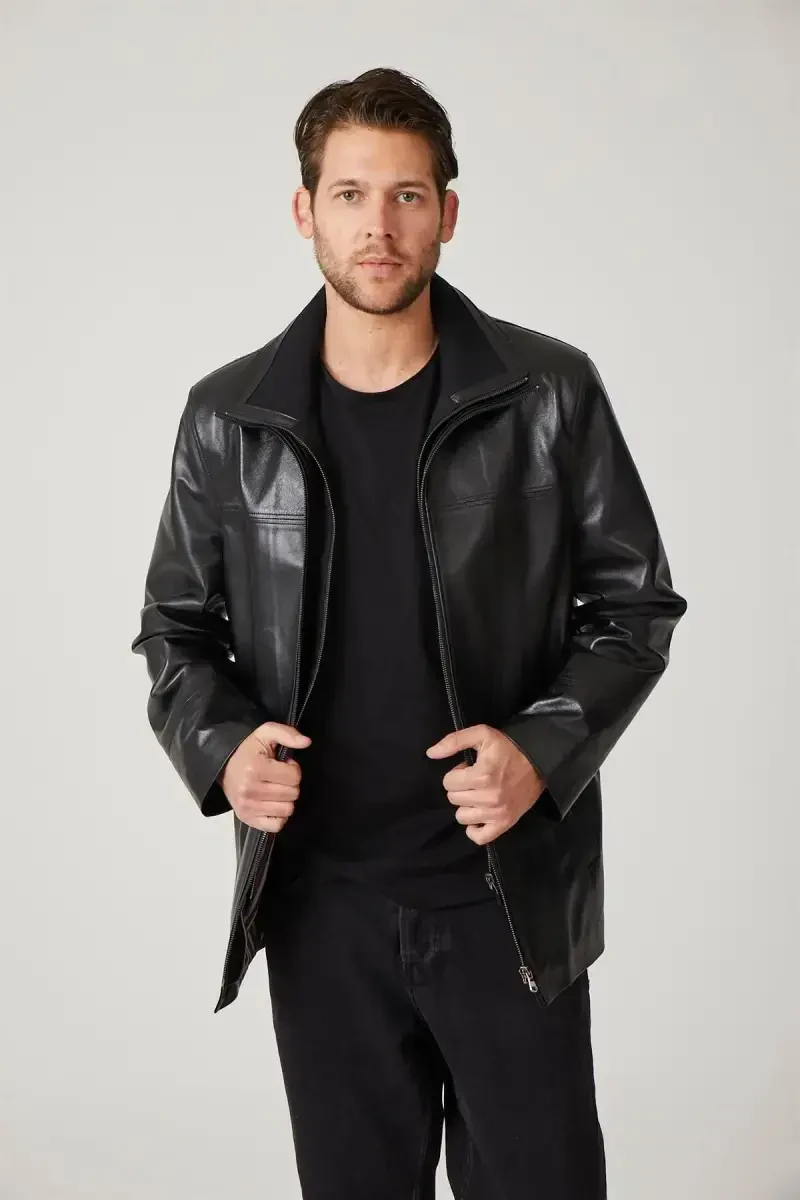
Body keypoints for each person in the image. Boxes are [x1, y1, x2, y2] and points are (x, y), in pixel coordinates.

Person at [131, 66, 687, 1200]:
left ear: (448, 212)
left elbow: (633, 607)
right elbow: (175, 629)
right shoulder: (227, 417)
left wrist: (538, 751)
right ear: (304, 211)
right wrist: (221, 748)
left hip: (502, 895)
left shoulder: (547, 393)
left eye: (407, 195)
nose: (377, 226)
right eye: (349, 194)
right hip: (319, 905)